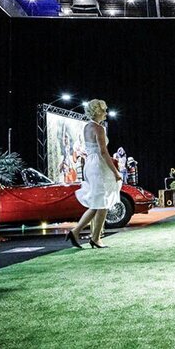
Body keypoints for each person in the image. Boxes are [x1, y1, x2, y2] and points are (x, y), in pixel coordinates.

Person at [66, 99, 122, 249]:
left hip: (90, 164)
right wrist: (115, 171)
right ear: (97, 111)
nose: (106, 113)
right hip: (98, 165)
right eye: (104, 110)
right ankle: (95, 238)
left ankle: (78, 232)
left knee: (98, 202)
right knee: (102, 202)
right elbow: (103, 152)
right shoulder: (99, 128)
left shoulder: (87, 127)